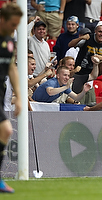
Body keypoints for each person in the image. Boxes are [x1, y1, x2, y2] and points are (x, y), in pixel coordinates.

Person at [0, 3, 23, 193]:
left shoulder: (9, 41)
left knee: (5, 131)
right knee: (6, 130)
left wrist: (20, 96)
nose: (15, 29)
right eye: (13, 25)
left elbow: (11, 68)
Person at [69, 21, 102, 96]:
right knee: (74, 97)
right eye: (100, 32)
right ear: (95, 31)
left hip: (95, 70)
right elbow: (70, 45)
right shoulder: (88, 38)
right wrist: (81, 38)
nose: (101, 34)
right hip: (81, 70)